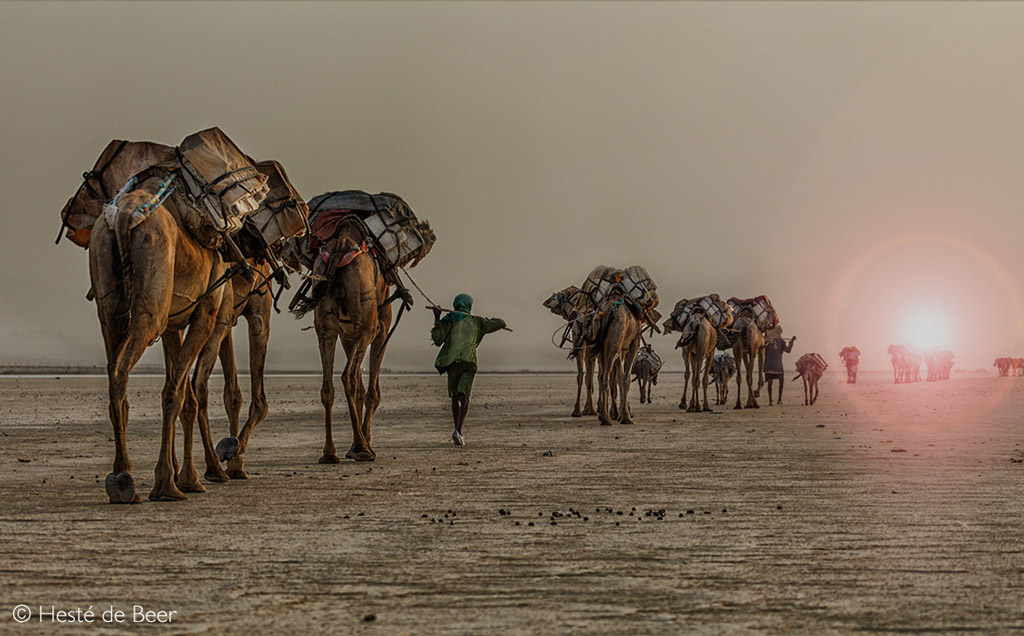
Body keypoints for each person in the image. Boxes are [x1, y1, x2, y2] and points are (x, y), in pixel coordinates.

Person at [431, 294, 507, 445]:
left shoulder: (449, 320)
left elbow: (437, 339)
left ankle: (456, 429)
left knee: (454, 396)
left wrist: (437, 318)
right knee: (464, 396)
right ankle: (458, 430)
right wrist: (486, 320)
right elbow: (502, 323)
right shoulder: (478, 321)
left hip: (452, 362)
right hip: (468, 361)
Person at [764, 326, 796, 405]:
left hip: (768, 366)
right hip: (778, 366)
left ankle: (770, 400)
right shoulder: (781, 341)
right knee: (781, 381)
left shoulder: (766, 342)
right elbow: (788, 350)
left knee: (770, 382)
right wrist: (792, 342)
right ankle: (779, 400)